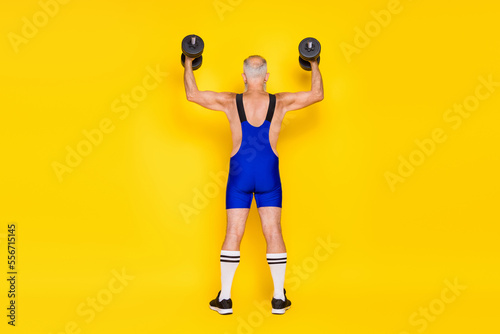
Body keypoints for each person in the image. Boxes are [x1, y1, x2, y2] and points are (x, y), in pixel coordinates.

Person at [183, 54, 324, 315]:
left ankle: (224, 299)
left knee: (233, 233)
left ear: (245, 78)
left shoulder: (229, 101)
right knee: (273, 232)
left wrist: (189, 61)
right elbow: (316, 94)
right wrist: (313, 62)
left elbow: (192, 94)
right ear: (267, 77)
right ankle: (279, 299)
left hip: (240, 174)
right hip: (269, 173)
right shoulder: (280, 102)